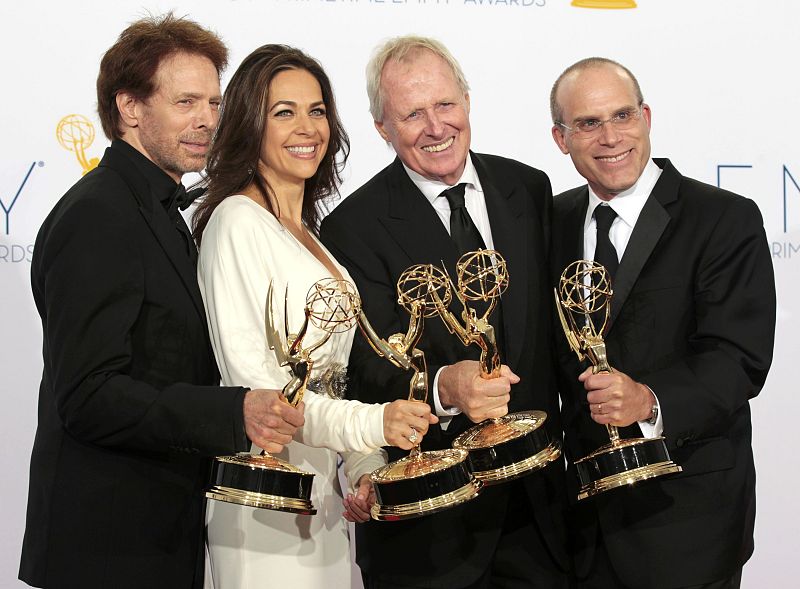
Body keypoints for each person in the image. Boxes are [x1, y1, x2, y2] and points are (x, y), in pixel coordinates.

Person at [18, 14, 309, 589]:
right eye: (185, 102)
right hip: (105, 552)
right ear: (130, 108)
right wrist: (232, 411)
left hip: (153, 536)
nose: (207, 120)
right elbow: (89, 395)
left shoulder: (156, 210)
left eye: (214, 103)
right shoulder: (99, 216)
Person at [320, 35, 570, 589]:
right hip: (430, 536)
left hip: (540, 527)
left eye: (445, 105)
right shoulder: (350, 228)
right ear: (382, 128)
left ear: (467, 100)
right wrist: (441, 389)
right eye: (412, 114)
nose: (436, 127)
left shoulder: (528, 189)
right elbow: (359, 370)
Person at [193, 44, 437, 589]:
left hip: (324, 505)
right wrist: (374, 423)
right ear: (250, 125)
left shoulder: (309, 235)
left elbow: (335, 378)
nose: (307, 127)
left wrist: (366, 467)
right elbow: (258, 390)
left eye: (317, 110)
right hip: (264, 508)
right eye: (284, 112)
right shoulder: (235, 221)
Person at [549, 57, 776, 589]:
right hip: (581, 528)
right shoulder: (549, 221)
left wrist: (649, 399)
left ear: (646, 117)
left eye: (622, 116)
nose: (610, 137)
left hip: (688, 520)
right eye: (587, 123)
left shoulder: (723, 218)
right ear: (560, 138)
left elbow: (738, 358)